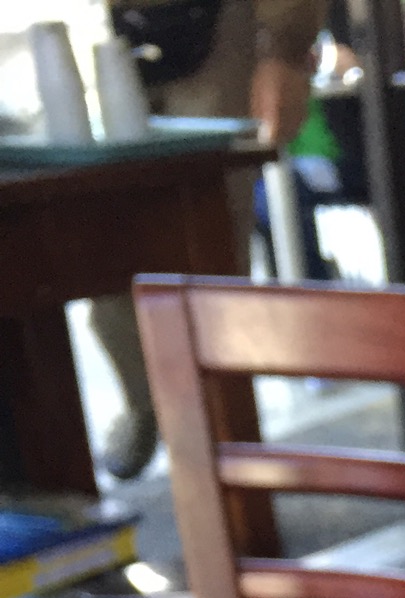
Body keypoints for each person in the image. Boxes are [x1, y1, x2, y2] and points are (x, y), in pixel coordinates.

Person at [96, 0, 327, 478]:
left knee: (208, 253)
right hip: (103, 33)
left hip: (218, 29)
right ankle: (148, 403)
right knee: (98, 245)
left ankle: (227, 468)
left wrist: (284, 51)